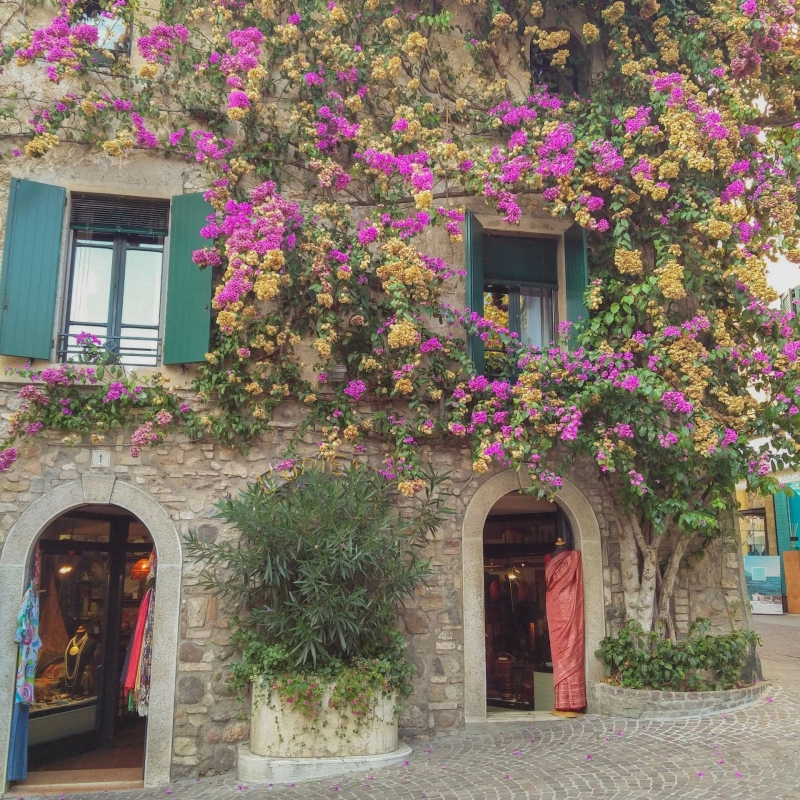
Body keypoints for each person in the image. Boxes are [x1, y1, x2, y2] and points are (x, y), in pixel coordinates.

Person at [544, 537, 586, 717]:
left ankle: (573, 701)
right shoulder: (548, 558)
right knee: (560, 651)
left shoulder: (574, 557)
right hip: (555, 606)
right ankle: (561, 700)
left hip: (570, 609)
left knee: (571, 648)